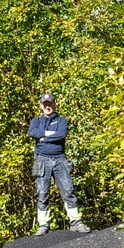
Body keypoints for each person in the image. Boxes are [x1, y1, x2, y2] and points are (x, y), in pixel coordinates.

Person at [28, 93, 89, 235]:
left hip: (60, 159)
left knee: (68, 190)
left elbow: (61, 134)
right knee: (42, 193)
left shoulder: (62, 121)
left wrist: (43, 137)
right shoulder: (36, 121)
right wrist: (49, 135)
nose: (47, 106)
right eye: (45, 104)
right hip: (41, 159)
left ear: (55, 104)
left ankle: (76, 222)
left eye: (50, 103)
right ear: (41, 106)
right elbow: (32, 132)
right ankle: (43, 225)